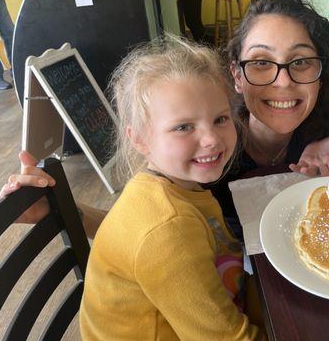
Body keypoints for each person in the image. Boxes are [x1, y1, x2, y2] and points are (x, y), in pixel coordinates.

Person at [0, 0, 329, 240]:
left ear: (321, 73)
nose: (283, 81)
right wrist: (61, 210)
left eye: (301, 61)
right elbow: (135, 226)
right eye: (261, 62)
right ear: (236, 76)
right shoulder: (202, 148)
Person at [78, 37, 263, 339]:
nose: (212, 139)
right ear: (139, 138)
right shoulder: (168, 231)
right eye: (183, 127)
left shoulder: (172, 186)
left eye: (220, 119)